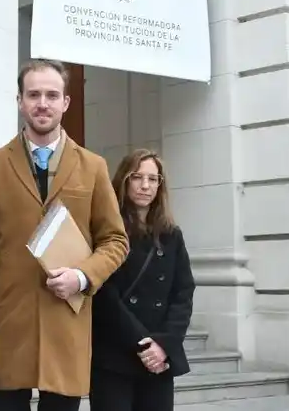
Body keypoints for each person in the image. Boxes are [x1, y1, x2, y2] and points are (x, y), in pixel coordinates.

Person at [0, 59, 129, 411]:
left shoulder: (93, 167)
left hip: (66, 321)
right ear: (20, 101)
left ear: (65, 103)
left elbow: (116, 240)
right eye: (34, 94)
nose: (43, 103)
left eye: (52, 95)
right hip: (9, 327)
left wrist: (83, 276)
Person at [88, 149, 195, 411]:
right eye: (137, 177)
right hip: (115, 353)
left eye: (153, 179)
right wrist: (143, 343)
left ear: (160, 186)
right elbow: (104, 294)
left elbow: (183, 292)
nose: (145, 186)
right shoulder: (105, 230)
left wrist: (164, 344)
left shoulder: (171, 235)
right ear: (124, 181)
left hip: (159, 357)